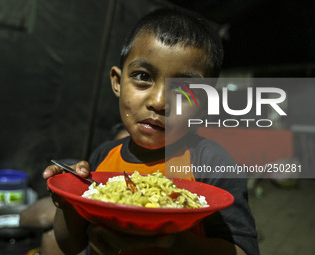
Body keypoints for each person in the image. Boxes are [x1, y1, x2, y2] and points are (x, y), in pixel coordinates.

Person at [43, 8, 259, 255]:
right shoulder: (103, 157)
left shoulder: (211, 163)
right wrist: (67, 201)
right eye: (143, 76)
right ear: (117, 81)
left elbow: (245, 250)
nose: (158, 101)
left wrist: (174, 244)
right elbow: (72, 245)